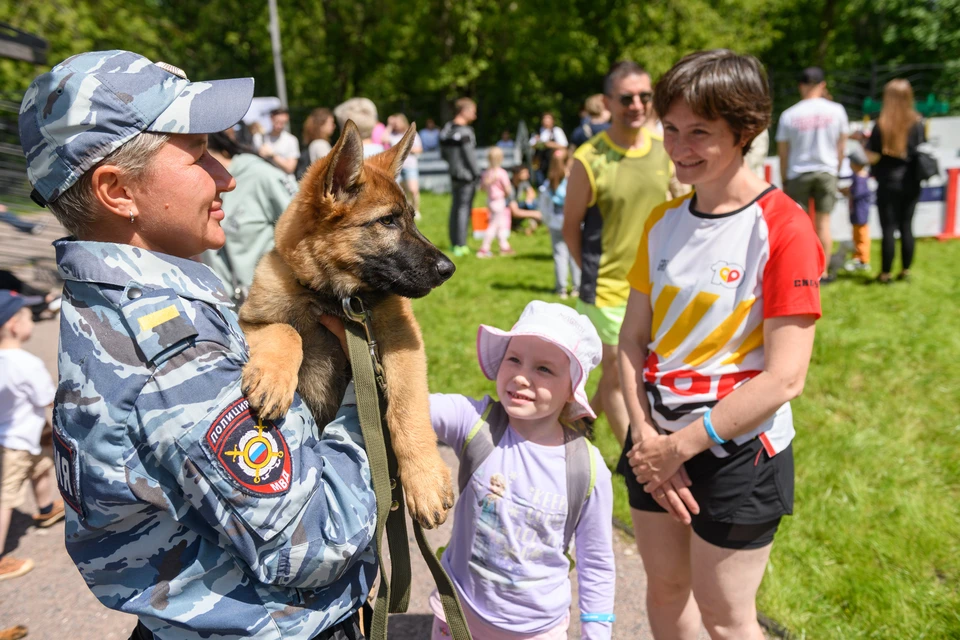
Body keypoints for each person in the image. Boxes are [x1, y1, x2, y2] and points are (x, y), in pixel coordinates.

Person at [18, 50, 376, 639]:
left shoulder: (110, 308)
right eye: (198, 152)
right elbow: (316, 543)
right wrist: (361, 400)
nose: (226, 174)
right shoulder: (173, 352)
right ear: (116, 190)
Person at [617, 49, 823, 640]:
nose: (679, 147)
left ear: (746, 130)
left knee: (726, 618)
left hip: (738, 451)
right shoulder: (662, 221)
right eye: (672, 130)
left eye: (699, 133)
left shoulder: (784, 227)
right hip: (653, 439)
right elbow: (632, 341)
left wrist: (682, 446)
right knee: (666, 592)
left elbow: (786, 378)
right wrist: (650, 438)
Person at [426, 301, 615, 640]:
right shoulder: (476, 423)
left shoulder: (587, 469)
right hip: (457, 618)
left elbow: (596, 561)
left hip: (537, 631)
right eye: (514, 359)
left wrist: (596, 632)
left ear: (572, 389)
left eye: (544, 369)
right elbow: (409, 404)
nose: (521, 376)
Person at [562, 60, 674, 447]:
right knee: (617, 372)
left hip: (656, 285)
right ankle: (638, 454)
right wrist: (591, 274)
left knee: (626, 372)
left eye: (645, 96)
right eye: (627, 98)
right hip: (606, 288)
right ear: (608, 102)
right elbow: (569, 226)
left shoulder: (667, 150)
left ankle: (577, 423)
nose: (638, 104)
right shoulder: (589, 158)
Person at [0, 291, 63, 583]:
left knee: (41, 467)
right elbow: (47, 398)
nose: (32, 320)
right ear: (14, 325)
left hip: (16, 437)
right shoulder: (26, 363)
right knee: (6, 498)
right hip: (18, 441)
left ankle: (46, 509)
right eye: (27, 316)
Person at [201, 131, 298, 304]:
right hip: (225, 307)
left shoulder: (263, 176)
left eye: (201, 155)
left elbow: (304, 228)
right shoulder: (195, 187)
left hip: (271, 306)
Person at [776, 66, 849, 283]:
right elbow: (841, 146)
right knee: (823, 223)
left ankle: (801, 269)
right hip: (826, 171)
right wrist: (836, 170)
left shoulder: (789, 114)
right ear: (822, 85)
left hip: (798, 173)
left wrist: (785, 179)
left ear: (801, 86)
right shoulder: (837, 110)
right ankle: (823, 271)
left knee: (799, 225)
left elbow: (783, 152)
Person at [865, 79, 926, 284]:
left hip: (888, 183)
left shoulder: (880, 125)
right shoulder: (918, 122)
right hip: (911, 181)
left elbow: (872, 158)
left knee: (888, 229)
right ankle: (905, 270)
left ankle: (885, 273)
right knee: (907, 226)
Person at [440, 98, 481, 257]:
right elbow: (470, 157)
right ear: (464, 111)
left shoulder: (447, 129)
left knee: (455, 208)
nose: (475, 116)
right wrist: (477, 174)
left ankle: (453, 242)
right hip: (467, 177)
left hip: (453, 174)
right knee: (464, 209)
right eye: (473, 111)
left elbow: (443, 154)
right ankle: (461, 244)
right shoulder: (466, 132)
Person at [540, 149, 580, 298]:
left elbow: (543, 204)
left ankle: (561, 288)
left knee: (559, 256)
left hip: (556, 223)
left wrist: (547, 220)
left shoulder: (549, 182)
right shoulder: (573, 179)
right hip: (573, 222)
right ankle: (577, 287)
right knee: (574, 255)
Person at [477, 146, 514, 258]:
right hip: (499, 201)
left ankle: (504, 246)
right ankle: (484, 248)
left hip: (490, 200)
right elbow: (508, 189)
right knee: (493, 225)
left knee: (499, 224)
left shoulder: (486, 173)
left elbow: (482, 188)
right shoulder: (502, 173)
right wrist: (507, 194)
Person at [842, 147, 872, 272]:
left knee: (861, 236)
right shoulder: (859, 177)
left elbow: (856, 193)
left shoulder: (860, 178)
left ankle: (863, 260)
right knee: (856, 235)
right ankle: (857, 257)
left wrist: (846, 191)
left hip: (860, 212)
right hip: (857, 212)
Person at [388, 113, 424, 217]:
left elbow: (419, 149)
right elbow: (383, 139)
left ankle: (416, 210)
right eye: (395, 123)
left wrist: (405, 148)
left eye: (397, 123)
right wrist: (390, 126)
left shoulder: (412, 134)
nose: (396, 125)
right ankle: (405, 211)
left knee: (413, 190)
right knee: (401, 193)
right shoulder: (392, 135)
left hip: (410, 166)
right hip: (397, 168)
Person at [259, 107, 300, 175]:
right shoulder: (259, 138)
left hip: (284, 182)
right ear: (271, 118)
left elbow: (290, 168)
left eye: (283, 122)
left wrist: (273, 155)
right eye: (277, 121)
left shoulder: (291, 140)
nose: (279, 125)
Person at [530, 112, 568, 185]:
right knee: (540, 182)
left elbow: (564, 145)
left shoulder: (556, 131)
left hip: (552, 161)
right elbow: (531, 144)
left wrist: (549, 144)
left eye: (548, 119)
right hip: (539, 161)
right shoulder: (537, 132)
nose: (546, 121)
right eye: (544, 119)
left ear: (552, 121)